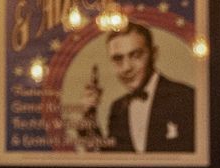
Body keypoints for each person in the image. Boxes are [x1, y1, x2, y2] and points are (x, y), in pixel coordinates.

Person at [82, 23, 196, 153]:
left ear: (154, 54)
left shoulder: (187, 98)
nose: (126, 68)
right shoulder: (118, 108)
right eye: (118, 59)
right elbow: (110, 161)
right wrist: (89, 114)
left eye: (135, 55)